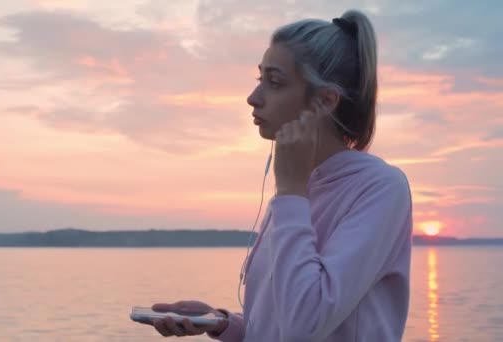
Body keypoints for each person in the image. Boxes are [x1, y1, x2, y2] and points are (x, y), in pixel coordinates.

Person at [150, 9, 413, 342]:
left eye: (274, 83)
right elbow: (280, 322)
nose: (253, 98)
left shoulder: (378, 188)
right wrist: (222, 324)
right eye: (260, 79)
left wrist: (290, 190)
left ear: (324, 101)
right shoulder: (298, 190)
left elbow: (305, 324)